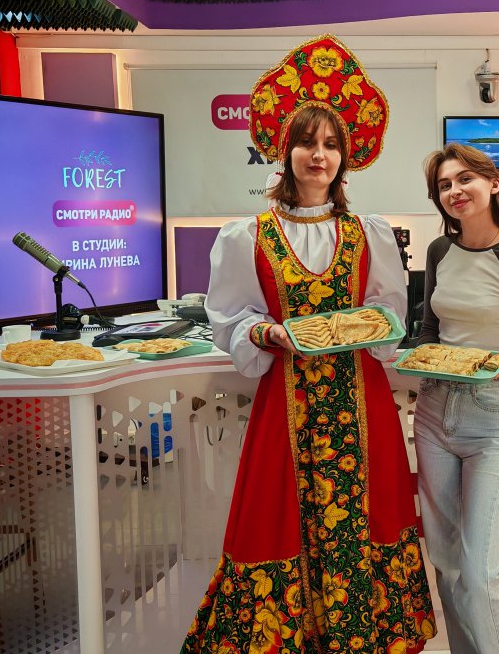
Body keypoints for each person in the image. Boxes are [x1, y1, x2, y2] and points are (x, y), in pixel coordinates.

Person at [182, 35, 435, 654]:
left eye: (330, 145)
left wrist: (371, 326)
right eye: (306, 142)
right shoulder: (248, 235)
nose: (318, 155)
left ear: (345, 158)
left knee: (364, 517)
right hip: (287, 405)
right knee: (278, 520)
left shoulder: (369, 233)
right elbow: (230, 318)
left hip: (361, 404)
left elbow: (388, 313)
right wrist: (267, 332)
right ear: (284, 149)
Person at [413, 143, 499, 654]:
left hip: (490, 417)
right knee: (447, 565)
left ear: (493, 183)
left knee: (481, 573)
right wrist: (422, 356)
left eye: (464, 179)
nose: (454, 191)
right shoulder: (438, 251)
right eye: (444, 185)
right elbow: (430, 329)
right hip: (432, 414)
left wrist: (497, 366)